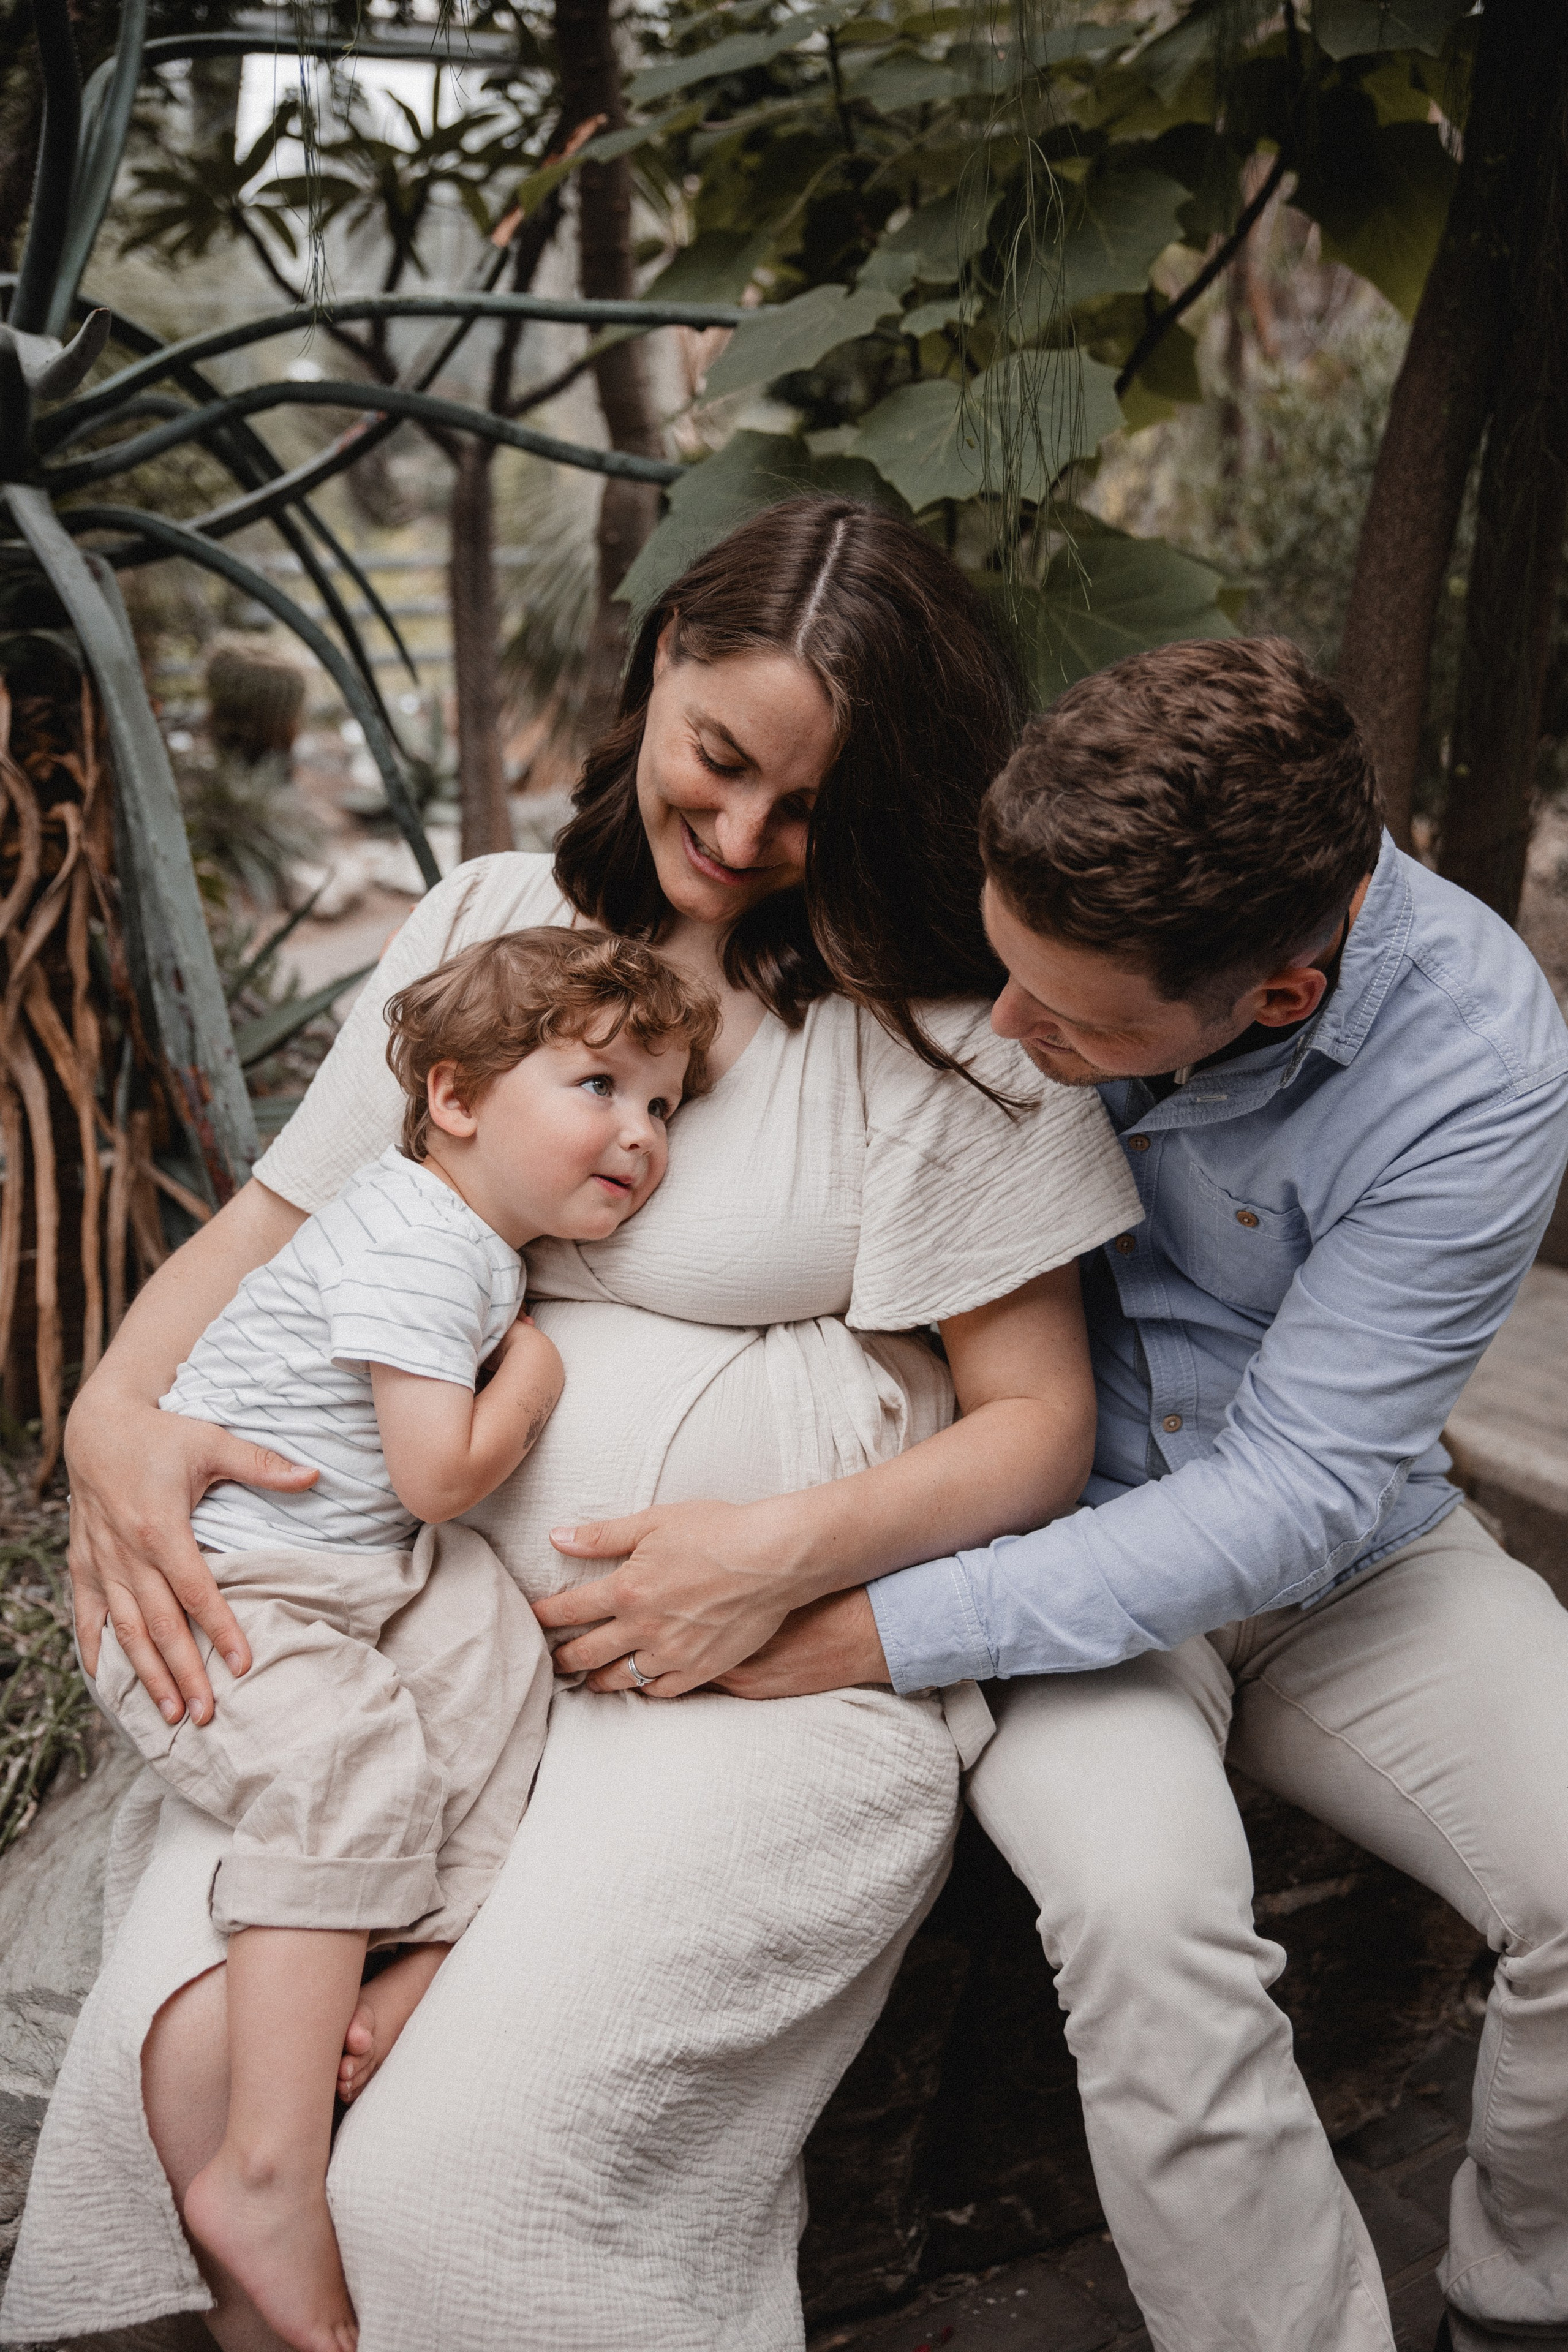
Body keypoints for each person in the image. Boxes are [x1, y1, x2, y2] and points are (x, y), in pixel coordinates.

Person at [2, 497, 1140, 2352]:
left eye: (815, 804)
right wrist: (118, 1413)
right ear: (660, 666)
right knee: (193, 2079)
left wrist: (762, 1556)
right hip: (410, 1657)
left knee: (463, 2175)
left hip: (760, 1683)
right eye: (721, 760)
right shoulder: (491, 924)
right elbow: (272, 1231)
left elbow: (1037, 1428)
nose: (749, 836)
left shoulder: (938, 1027)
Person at [550, 638, 1568, 2352]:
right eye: (1003, 967)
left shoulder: (1475, 1061)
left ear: (1277, 997)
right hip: (1040, 1532)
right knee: (1154, 1934)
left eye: (1070, 1018)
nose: (1002, 1031)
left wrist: (877, 1628)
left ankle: (1522, 2296)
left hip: (1343, 1551)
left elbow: (1305, 1494)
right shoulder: (1018, 899)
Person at [87, 925, 715, 2352]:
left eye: (664, 1106)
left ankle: (411, 1951)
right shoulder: (420, 1243)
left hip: (339, 1578)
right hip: (225, 1599)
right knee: (350, 1762)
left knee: (493, 1648)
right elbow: (439, 1475)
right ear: (453, 1097)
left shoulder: (464, 1236)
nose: (641, 1135)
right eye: (599, 1086)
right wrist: (536, 1383)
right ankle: (263, 2174)